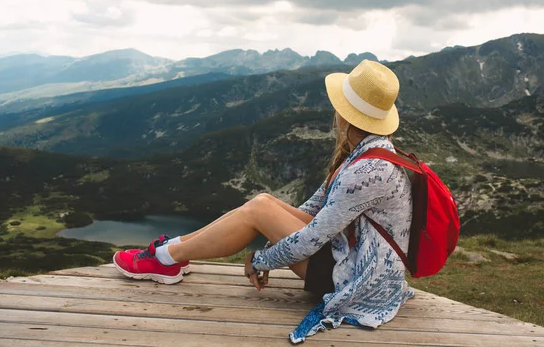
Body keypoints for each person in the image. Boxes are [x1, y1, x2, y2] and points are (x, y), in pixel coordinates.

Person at [113, 59, 415, 343]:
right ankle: (170, 252)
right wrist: (274, 237)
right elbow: (313, 209)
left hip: (351, 281)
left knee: (260, 209)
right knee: (263, 202)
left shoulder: (368, 170)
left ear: (345, 116)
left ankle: (166, 259)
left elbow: (310, 239)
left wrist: (261, 259)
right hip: (349, 258)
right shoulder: (371, 154)